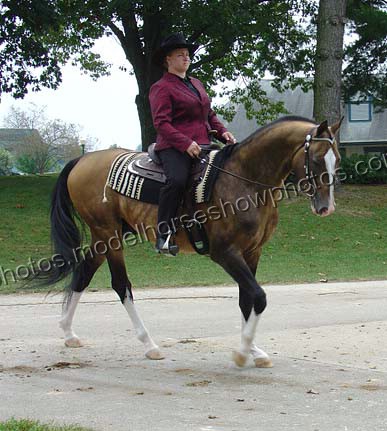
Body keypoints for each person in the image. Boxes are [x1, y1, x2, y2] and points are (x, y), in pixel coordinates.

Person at [149, 33, 236, 255]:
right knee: (177, 181)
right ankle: (164, 235)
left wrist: (223, 132)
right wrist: (185, 143)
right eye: (180, 55)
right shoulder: (161, 87)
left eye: (187, 55)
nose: (186, 58)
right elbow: (161, 123)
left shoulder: (196, 83)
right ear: (168, 59)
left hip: (205, 144)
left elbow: (209, 114)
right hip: (173, 146)